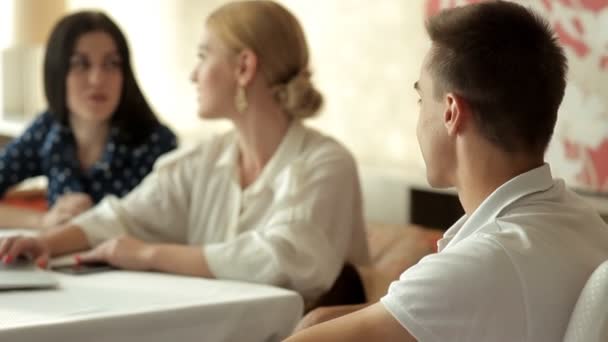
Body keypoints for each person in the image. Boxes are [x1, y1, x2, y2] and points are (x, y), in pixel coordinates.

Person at [0, 1, 369, 306]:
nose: (194, 75)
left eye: (203, 56)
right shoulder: (204, 160)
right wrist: (43, 241)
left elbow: (282, 258)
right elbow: (123, 216)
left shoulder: (325, 164)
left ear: (244, 67)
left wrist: (148, 254)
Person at [286, 1, 608, 341]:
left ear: (451, 112)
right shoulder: (586, 225)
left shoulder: (484, 259)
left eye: (422, 100)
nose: (419, 119)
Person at [0, 11, 177, 230]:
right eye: (81, 64)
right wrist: (42, 220)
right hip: (55, 260)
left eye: (111, 64)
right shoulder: (48, 129)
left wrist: (95, 223)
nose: (97, 79)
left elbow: (169, 228)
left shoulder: (157, 143)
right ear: (57, 72)